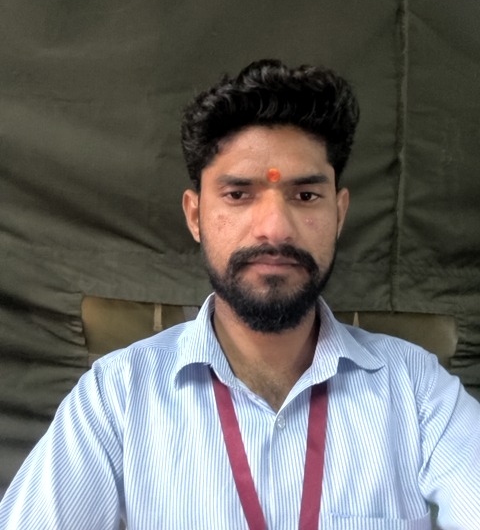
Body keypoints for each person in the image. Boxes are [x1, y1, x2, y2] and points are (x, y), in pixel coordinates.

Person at [0, 59, 479, 530]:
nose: (274, 228)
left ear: (340, 213)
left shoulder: (417, 390)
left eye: (305, 196)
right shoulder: (116, 398)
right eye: (238, 195)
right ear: (195, 216)